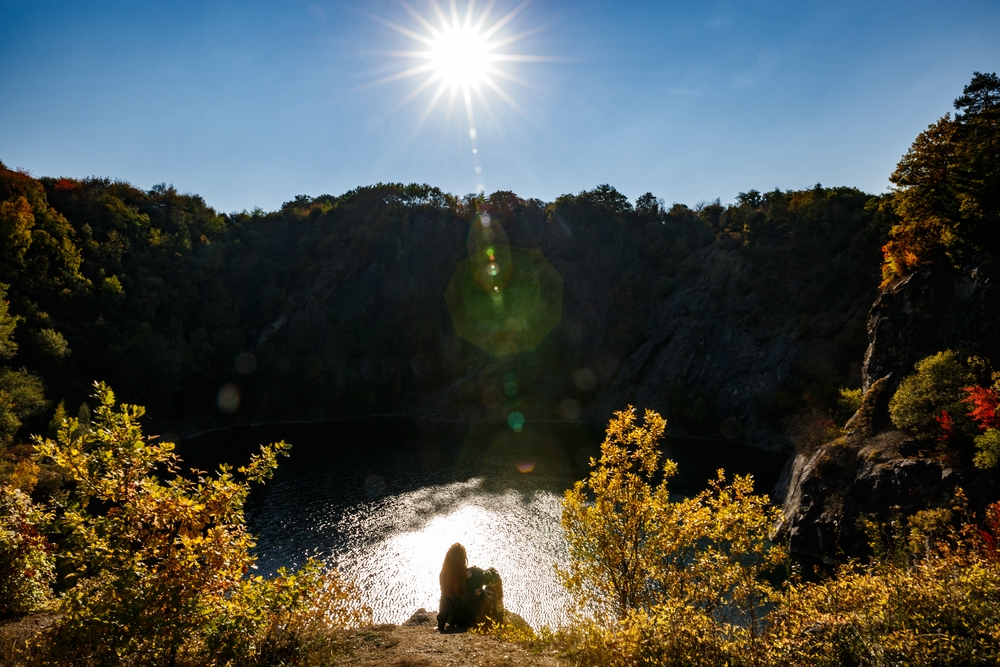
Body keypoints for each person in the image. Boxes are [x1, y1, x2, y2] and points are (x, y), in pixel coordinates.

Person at [437, 543, 505, 632]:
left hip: (457, 620)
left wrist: (440, 626)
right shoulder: (474, 574)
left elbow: (444, 603)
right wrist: (492, 570)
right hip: (478, 619)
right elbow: (493, 576)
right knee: (491, 587)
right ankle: (499, 618)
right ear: (464, 559)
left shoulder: (445, 577)